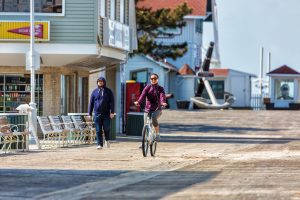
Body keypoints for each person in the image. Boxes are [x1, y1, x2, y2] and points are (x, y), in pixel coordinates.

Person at [134, 73, 167, 141]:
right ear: (150, 80)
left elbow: (162, 96)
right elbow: (142, 95)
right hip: (148, 109)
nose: (153, 80)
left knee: (153, 117)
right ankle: (144, 142)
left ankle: (157, 134)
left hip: (157, 109)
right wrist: (138, 102)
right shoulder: (147, 87)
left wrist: (163, 102)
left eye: (155, 78)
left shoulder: (160, 88)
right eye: (152, 79)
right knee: (145, 125)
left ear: (157, 79)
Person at [88, 76, 115, 149]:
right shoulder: (94, 92)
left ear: (104, 82)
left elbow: (112, 102)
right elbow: (91, 103)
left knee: (106, 128)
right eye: (99, 81)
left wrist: (112, 112)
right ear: (97, 82)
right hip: (97, 114)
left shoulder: (108, 91)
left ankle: (107, 139)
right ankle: (99, 144)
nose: (100, 82)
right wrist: (89, 114)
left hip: (106, 114)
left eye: (101, 81)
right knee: (98, 129)